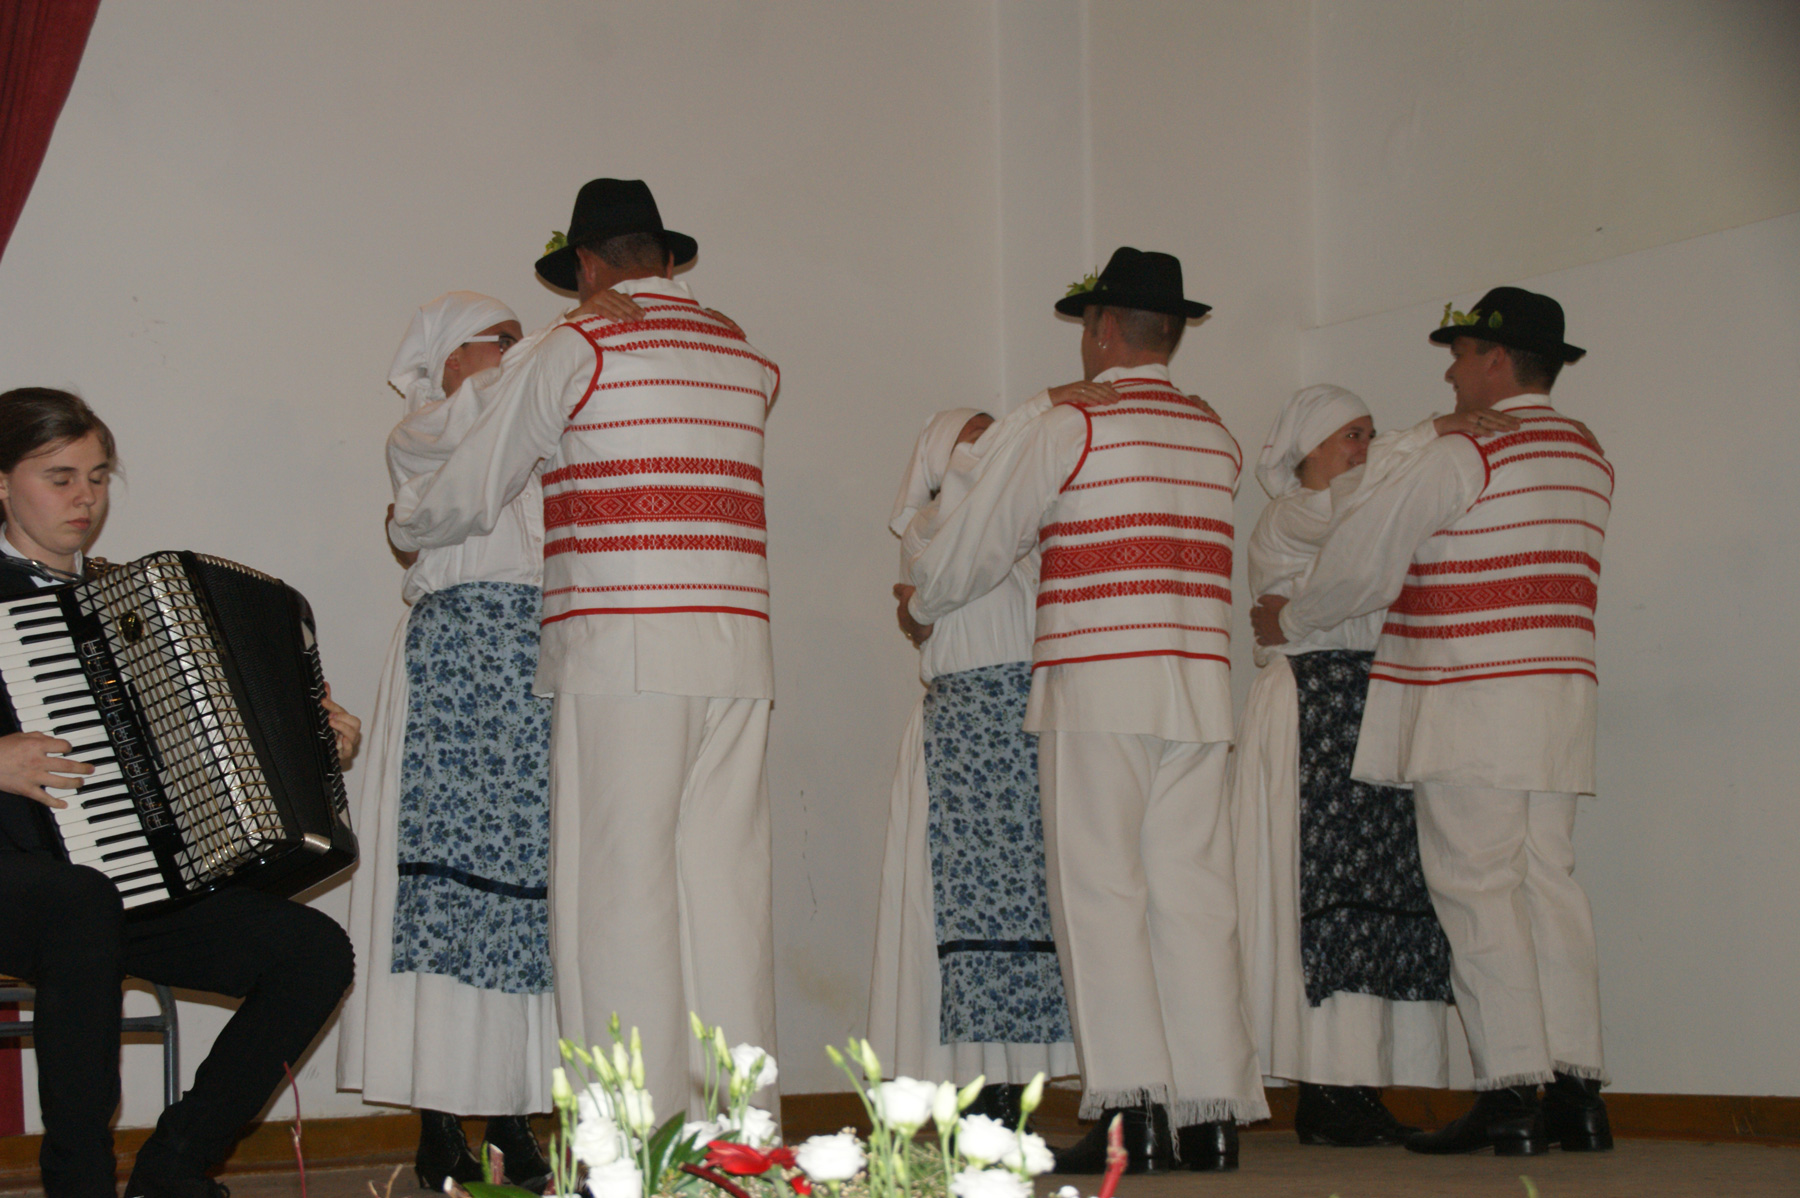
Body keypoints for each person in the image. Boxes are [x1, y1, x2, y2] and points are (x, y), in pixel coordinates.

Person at [387, 179, 781, 1119]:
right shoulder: (747, 353)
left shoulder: (580, 345)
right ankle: (737, 1133)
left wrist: (408, 524)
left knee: (617, 895)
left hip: (621, 647)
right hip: (737, 651)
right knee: (725, 895)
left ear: (591, 266)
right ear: (668, 258)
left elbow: (477, 481)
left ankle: (631, 1139)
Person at [904, 248, 1264, 1173]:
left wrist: (924, 598)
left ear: (1102, 328)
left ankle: (1132, 1114)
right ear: (1172, 332)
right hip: (1198, 689)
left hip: (1098, 683)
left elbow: (976, 547)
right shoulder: (1215, 434)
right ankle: (1210, 1119)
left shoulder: (1072, 423)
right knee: (1195, 899)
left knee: (1101, 897)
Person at [1253, 287, 1612, 1157]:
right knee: (1549, 884)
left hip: (1469, 696)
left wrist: (1290, 619)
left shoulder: (1465, 453)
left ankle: (1510, 1092)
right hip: (1559, 700)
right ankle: (1578, 1096)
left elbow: (1363, 558)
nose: (1451, 374)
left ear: (1495, 359)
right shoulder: (1585, 451)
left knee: (1476, 887)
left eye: (1460, 355)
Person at [0, 387, 359, 1198]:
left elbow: (203, 754)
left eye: (98, 477)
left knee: (312, 952)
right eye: (60, 478)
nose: (85, 498)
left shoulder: (132, 603)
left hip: (121, 888)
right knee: (81, 900)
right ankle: (79, 1184)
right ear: (1, 483)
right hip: (17, 883)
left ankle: (172, 1170)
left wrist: (315, 741)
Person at [1234, 386, 1517, 1147]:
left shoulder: (1370, 500)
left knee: (1382, 892)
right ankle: (1325, 1088)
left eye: (1369, 434)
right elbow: (1358, 508)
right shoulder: (1291, 514)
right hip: (1313, 703)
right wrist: (1429, 433)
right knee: (1324, 893)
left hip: (1374, 699)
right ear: (1305, 453)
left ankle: (1358, 1082)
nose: (1364, 448)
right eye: (1350, 436)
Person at [335, 292, 557, 1192]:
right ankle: (438, 1118)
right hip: (456, 668)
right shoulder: (423, 431)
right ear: (448, 357)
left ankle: (511, 1110)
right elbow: (473, 458)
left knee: (533, 889)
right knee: (444, 889)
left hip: (540, 663)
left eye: (519, 343)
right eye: (498, 342)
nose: (514, 355)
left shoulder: (533, 428)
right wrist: (548, 355)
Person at [867, 406, 1080, 1125]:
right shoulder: (931, 528)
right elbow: (951, 572)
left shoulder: (1024, 524)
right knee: (968, 904)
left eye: (997, 436)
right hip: (965, 732)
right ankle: (976, 1080)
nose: (989, 448)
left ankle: (1019, 1078)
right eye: (973, 438)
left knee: (1032, 903)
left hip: (1031, 723)